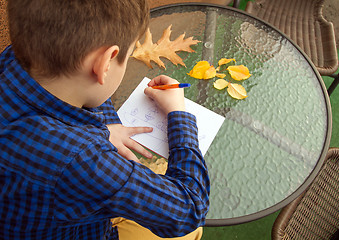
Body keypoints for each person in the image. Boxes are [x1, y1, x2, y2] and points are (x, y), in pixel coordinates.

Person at [0, 0, 210, 239]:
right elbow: (189, 208)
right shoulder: (82, 159)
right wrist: (179, 115)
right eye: (127, 56)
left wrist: (107, 129)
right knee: (192, 233)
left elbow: (88, 93)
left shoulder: (14, 59)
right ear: (106, 62)